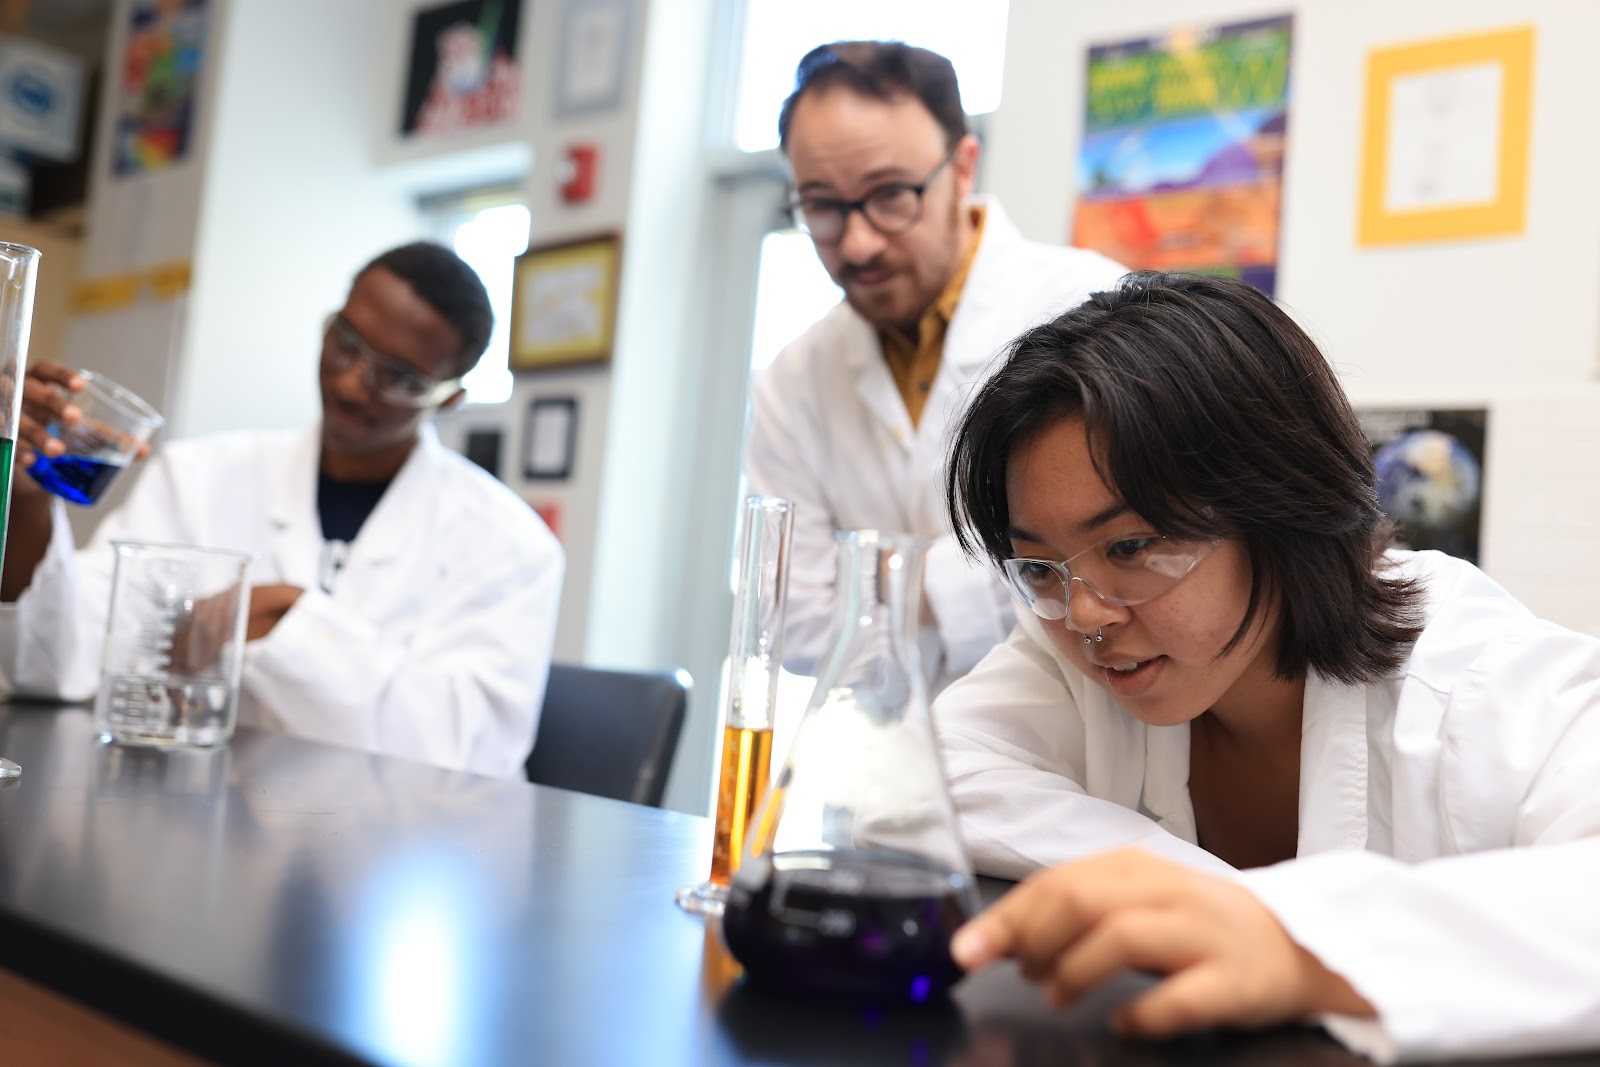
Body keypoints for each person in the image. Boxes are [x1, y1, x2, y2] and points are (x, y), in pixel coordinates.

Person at [933, 271, 1600, 1061]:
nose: (1084, 613)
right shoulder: (1069, 639)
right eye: (1040, 565)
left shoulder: (1476, 675)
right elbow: (925, 775)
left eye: (1132, 547)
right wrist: (1195, 893)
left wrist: (1301, 938)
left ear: (1280, 507)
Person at [1, 242, 564, 780]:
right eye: (345, 343)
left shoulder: (509, 543)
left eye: (397, 377)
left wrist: (290, 617)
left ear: (448, 399)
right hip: (193, 810)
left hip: (394, 837)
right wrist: (25, 500)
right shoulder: (199, 476)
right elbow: (52, 661)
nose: (351, 383)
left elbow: (474, 752)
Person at [744, 41, 1127, 693]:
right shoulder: (794, 378)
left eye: (890, 195)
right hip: (881, 740)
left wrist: (878, 579)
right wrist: (992, 568)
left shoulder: (1091, 307)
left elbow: (1109, 565)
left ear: (963, 167)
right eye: (823, 207)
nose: (858, 242)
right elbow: (792, 622)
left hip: (1074, 732)